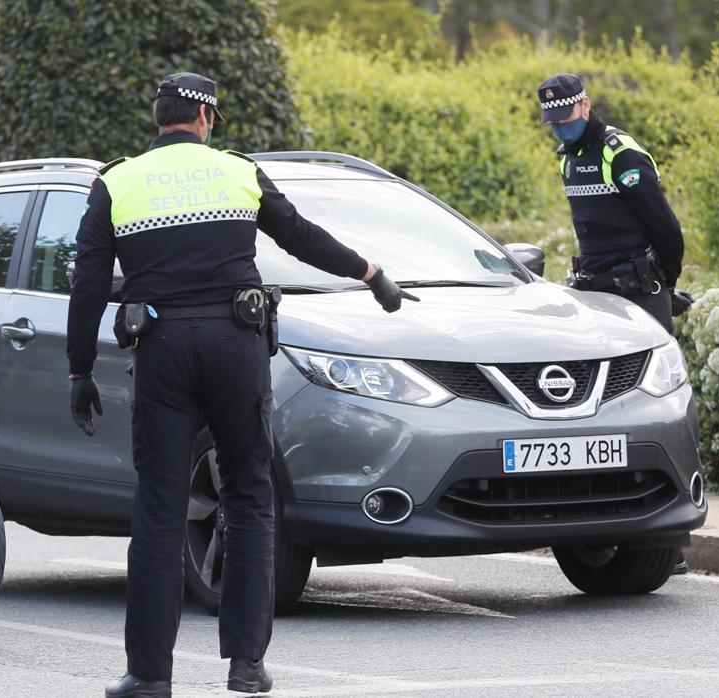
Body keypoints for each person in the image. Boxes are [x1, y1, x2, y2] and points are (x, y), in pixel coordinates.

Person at [66, 72, 417, 698]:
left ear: (160, 120)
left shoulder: (115, 181)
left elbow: (88, 282)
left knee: (159, 510)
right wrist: (372, 272)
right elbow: (301, 236)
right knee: (250, 497)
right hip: (237, 343)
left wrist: (79, 371)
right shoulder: (238, 171)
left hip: (163, 348)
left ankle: (148, 675)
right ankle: (247, 665)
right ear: (205, 121)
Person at [538, 73, 689, 332]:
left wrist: (667, 286)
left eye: (566, 116)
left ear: (585, 104)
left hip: (639, 292)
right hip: (594, 292)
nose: (560, 125)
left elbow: (666, 228)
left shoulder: (620, 153)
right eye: (554, 121)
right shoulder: (568, 159)